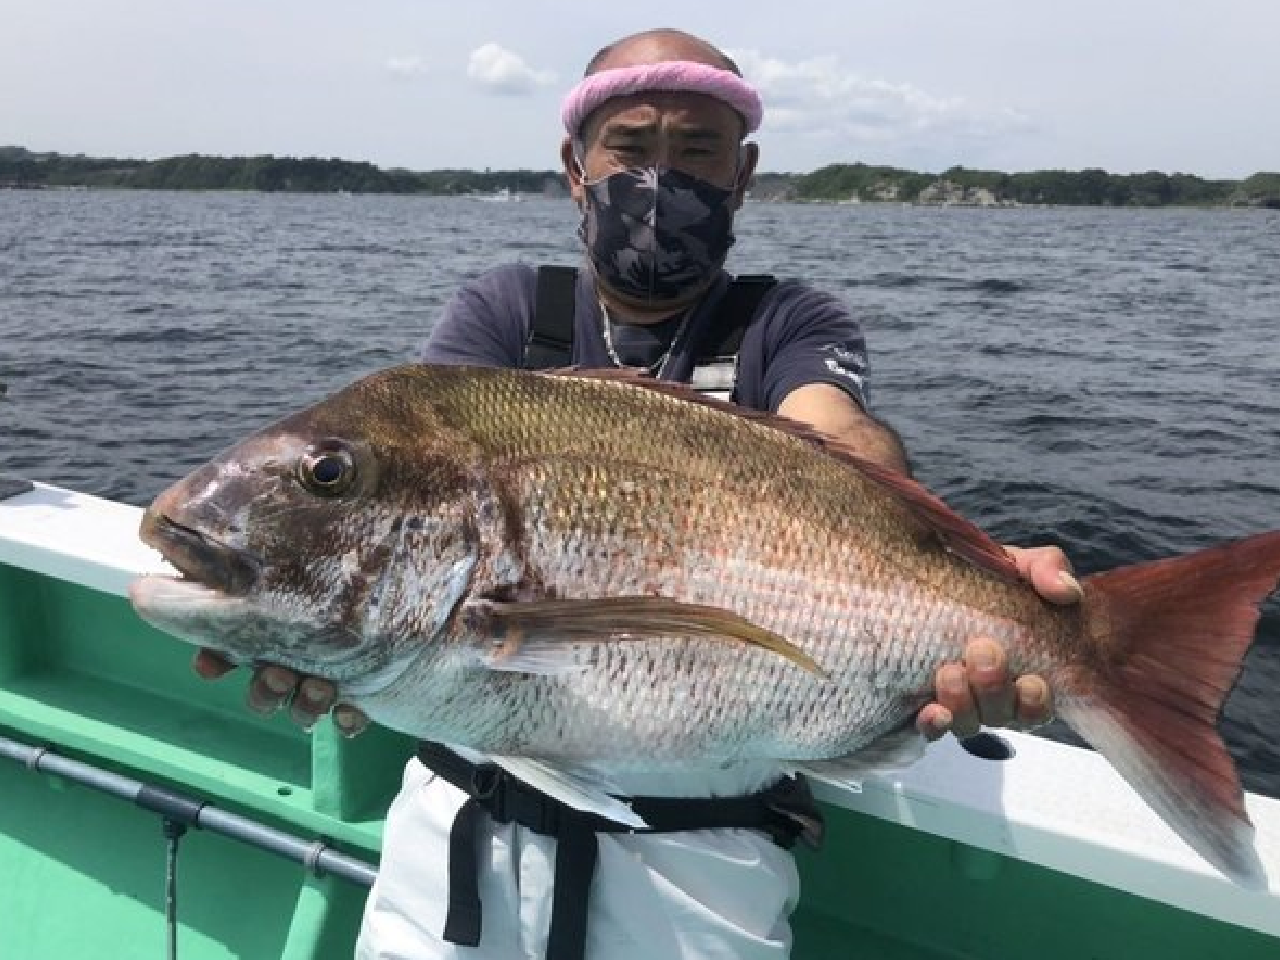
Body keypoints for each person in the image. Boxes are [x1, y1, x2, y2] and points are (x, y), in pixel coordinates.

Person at [196, 27, 1081, 960]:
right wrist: (320, 638)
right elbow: (406, 499)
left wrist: (983, 583)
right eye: (630, 146)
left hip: (701, 871)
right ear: (575, 168)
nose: (662, 176)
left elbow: (842, 440)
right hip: (454, 849)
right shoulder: (507, 311)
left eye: (698, 149)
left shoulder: (786, 320)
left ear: (743, 174)